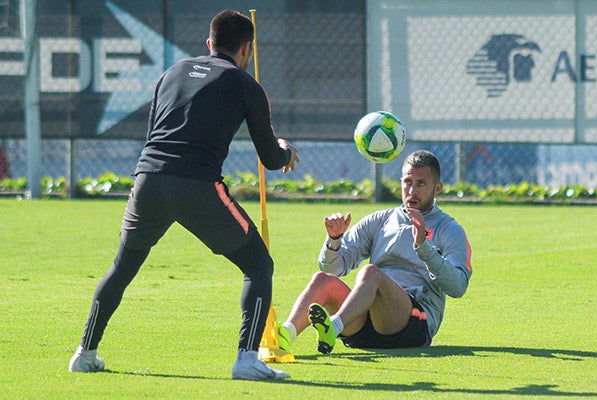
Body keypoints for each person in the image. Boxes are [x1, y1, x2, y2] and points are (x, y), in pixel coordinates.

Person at [69, 10, 299, 381]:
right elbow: (271, 158)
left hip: (147, 179)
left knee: (122, 267)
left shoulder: (171, 73)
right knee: (258, 265)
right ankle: (246, 359)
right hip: (197, 186)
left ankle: (85, 352)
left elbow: (154, 136)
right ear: (247, 49)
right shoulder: (245, 84)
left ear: (209, 44)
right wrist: (286, 149)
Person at [277, 150, 471, 354]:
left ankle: (332, 328)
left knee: (370, 273)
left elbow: (458, 287)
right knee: (322, 280)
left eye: (421, 184)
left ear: (437, 187)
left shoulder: (449, 229)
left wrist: (424, 248)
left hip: (413, 325)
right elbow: (332, 268)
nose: (412, 190)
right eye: (407, 182)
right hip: (365, 322)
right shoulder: (381, 220)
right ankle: (284, 337)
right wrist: (334, 241)